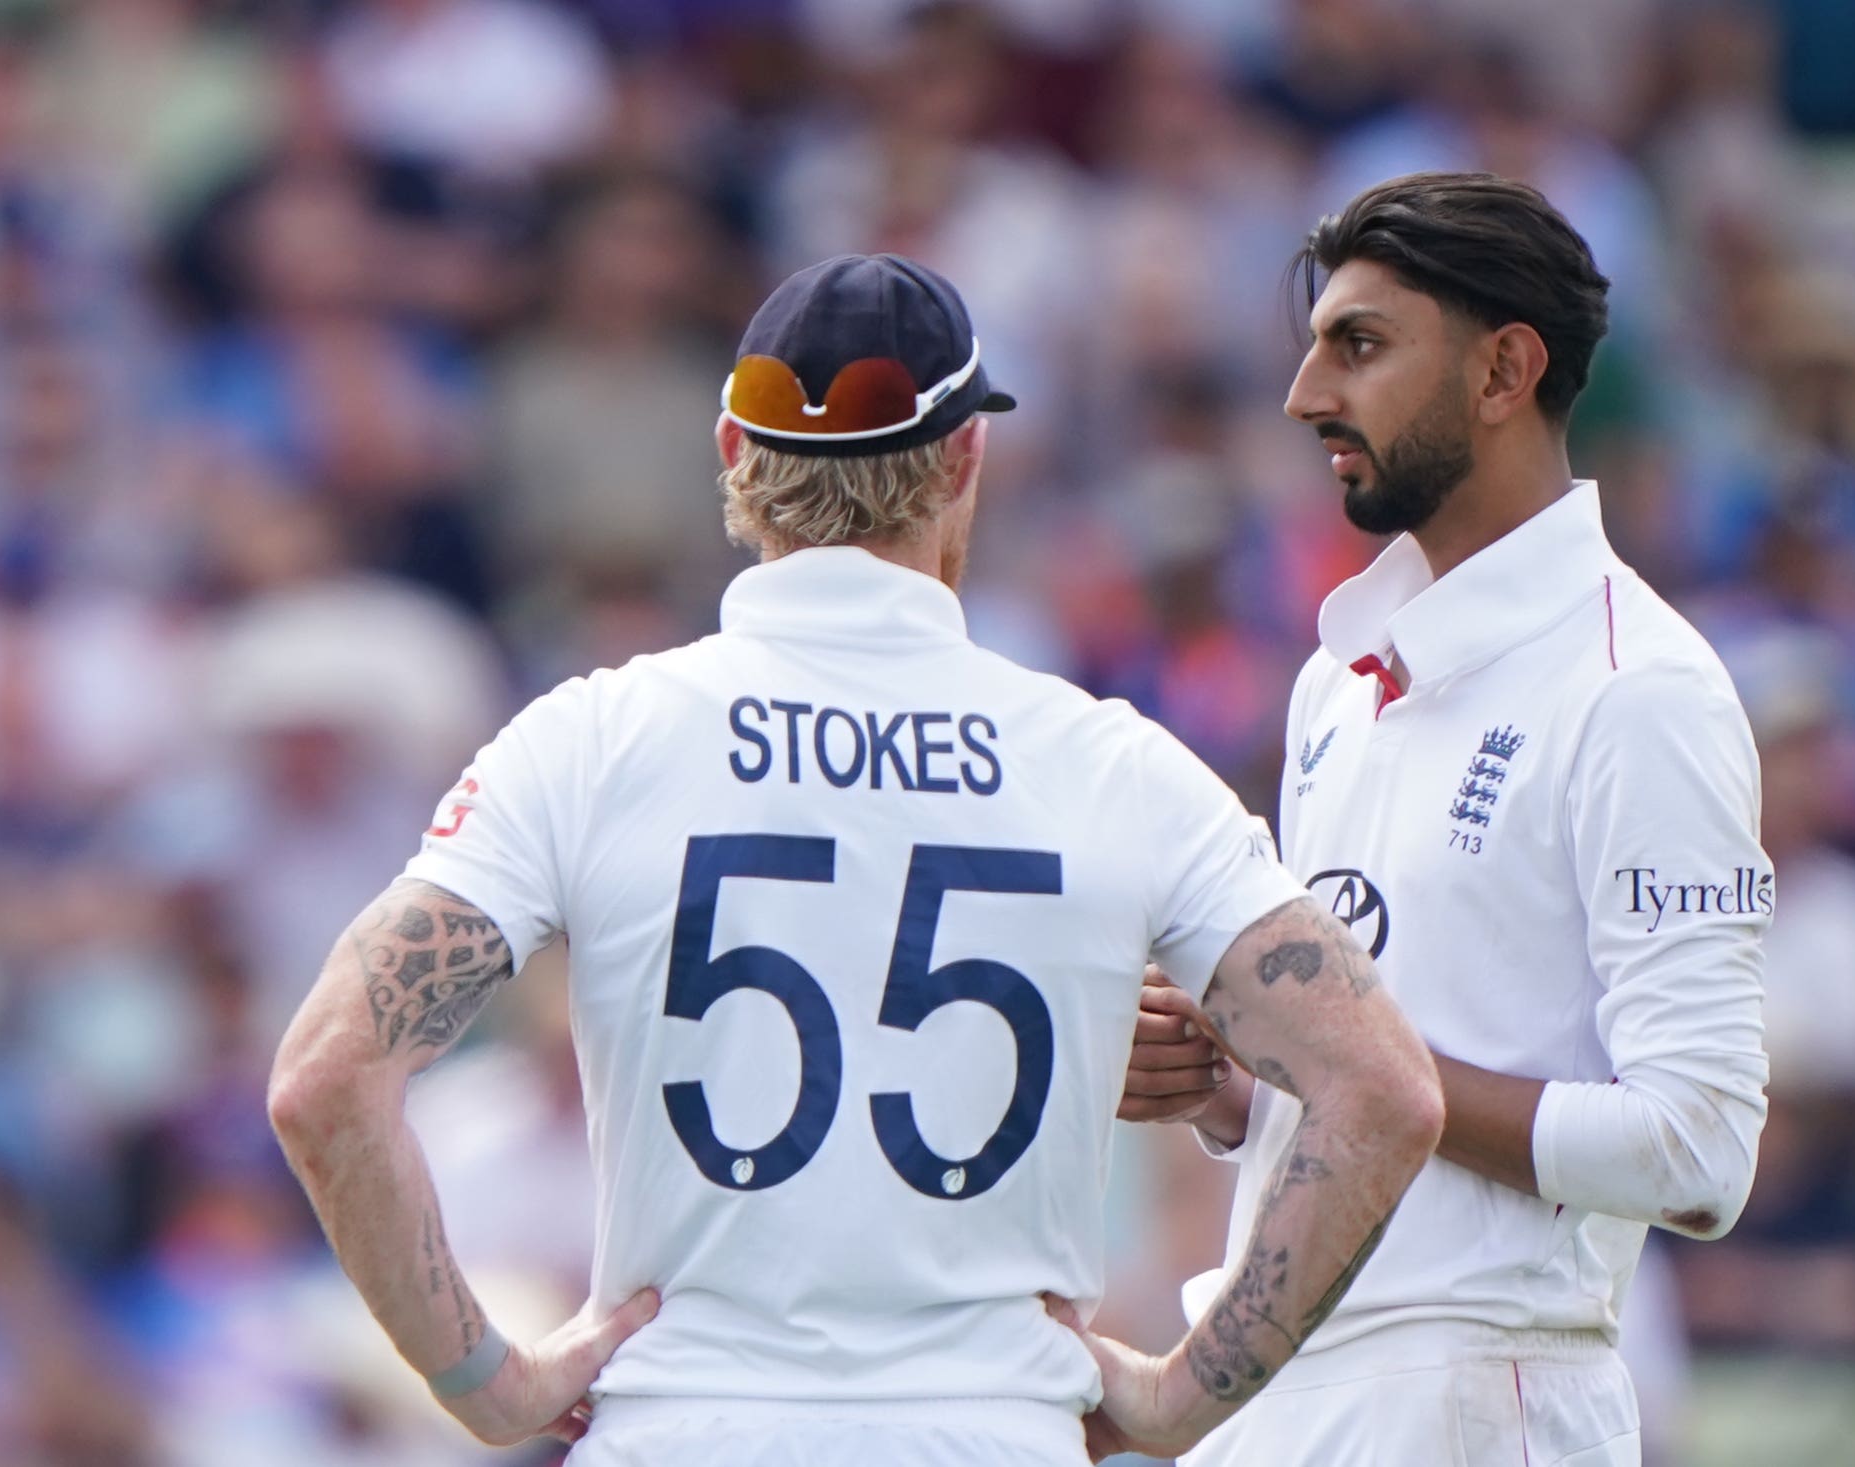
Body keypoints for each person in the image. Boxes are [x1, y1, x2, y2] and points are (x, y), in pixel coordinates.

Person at [265, 252, 1445, 1466]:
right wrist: (1184, 1395)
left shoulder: (591, 740)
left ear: (733, 453)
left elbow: (325, 1079)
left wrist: (484, 1380)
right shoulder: (1112, 766)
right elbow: (1383, 1092)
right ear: (962, 460)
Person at [1119, 173, 1772, 1466]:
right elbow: (1379, 1068)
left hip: (1481, 1395)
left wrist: (1366, 1072)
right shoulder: (1335, 681)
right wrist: (1239, 1081)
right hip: (1288, 1383)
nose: (1307, 395)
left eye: (1357, 345)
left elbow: (1701, 1145)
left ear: (1504, 370)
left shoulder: (1642, 687)